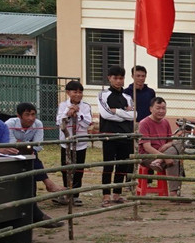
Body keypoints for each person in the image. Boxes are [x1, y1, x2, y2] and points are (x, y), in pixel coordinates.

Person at [6, 102, 64, 223]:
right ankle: (47, 182)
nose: (31, 118)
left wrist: (24, 144)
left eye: (33, 114)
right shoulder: (10, 124)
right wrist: (27, 145)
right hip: (9, 155)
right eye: (27, 115)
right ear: (19, 115)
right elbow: (11, 145)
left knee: (32, 157)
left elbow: (38, 146)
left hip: (29, 154)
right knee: (32, 157)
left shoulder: (38, 124)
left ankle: (35, 199)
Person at [97, 66, 135, 206]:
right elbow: (105, 114)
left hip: (126, 135)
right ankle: (106, 195)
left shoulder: (127, 97)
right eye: (116, 78)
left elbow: (133, 116)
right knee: (108, 165)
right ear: (109, 78)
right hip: (109, 134)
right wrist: (123, 113)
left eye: (121, 78)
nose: (119, 81)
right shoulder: (103, 95)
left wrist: (117, 112)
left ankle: (117, 194)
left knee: (122, 165)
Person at [137, 96, 187, 197]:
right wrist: (165, 156)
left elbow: (170, 142)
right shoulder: (144, 123)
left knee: (179, 143)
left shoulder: (166, 122)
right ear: (151, 109)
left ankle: (160, 162)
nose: (161, 111)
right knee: (173, 158)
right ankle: (173, 193)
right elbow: (147, 147)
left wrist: (165, 148)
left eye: (163, 108)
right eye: (158, 108)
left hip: (160, 157)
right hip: (148, 156)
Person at [56, 80, 93, 205]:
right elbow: (59, 121)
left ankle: (75, 194)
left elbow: (87, 122)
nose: (78, 94)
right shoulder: (62, 105)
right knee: (66, 168)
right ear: (68, 92)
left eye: (80, 92)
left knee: (78, 168)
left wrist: (78, 112)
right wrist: (68, 113)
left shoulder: (86, 106)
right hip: (66, 142)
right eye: (74, 92)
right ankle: (67, 192)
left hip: (80, 143)